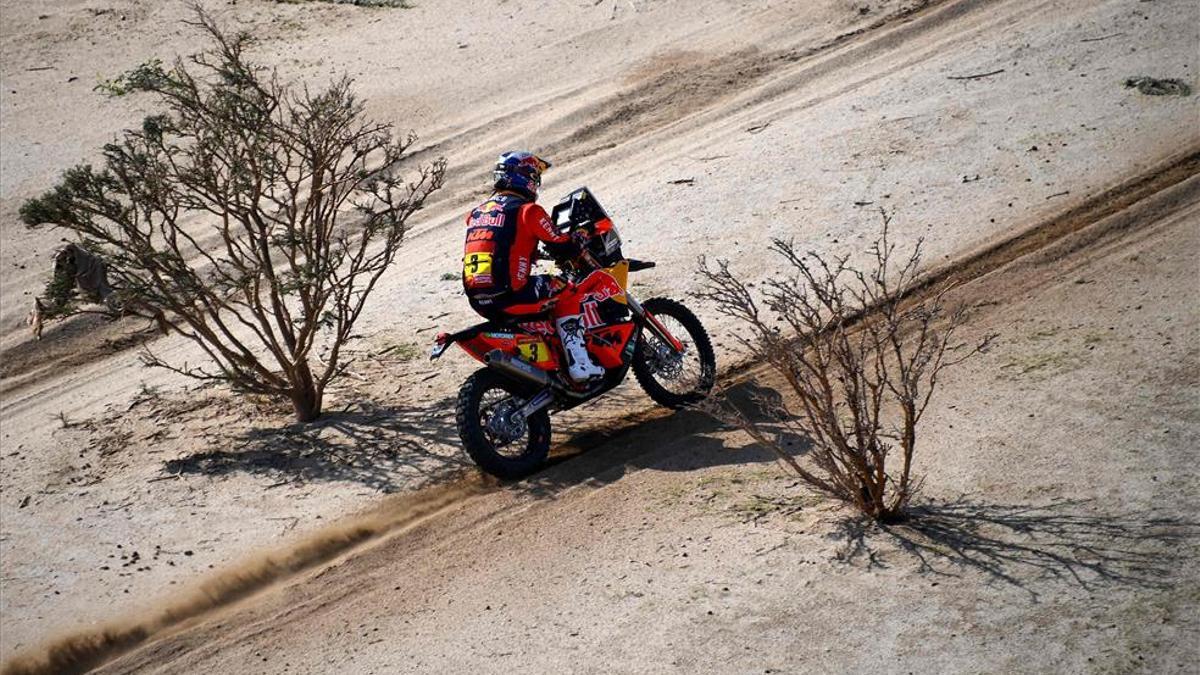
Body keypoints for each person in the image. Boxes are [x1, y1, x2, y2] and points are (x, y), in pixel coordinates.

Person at [461, 151, 620, 383]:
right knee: (567, 291)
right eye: (535, 176)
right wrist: (580, 236)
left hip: (479, 300)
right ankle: (580, 364)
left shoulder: (476, 214)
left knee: (542, 293)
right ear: (526, 177)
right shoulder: (528, 211)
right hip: (512, 295)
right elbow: (562, 245)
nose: (536, 182)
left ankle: (550, 360)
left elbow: (501, 244)